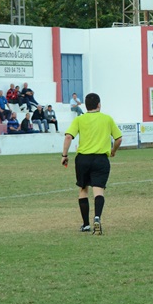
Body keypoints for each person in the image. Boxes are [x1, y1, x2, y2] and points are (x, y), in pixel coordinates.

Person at [61, 93, 123, 235]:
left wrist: (64, 155)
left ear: (85, 105)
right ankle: (97, 218)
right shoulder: (107, 119)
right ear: (99, 105)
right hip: (101, 159)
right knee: (98, 190)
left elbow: (68, 136)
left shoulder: (80, 119)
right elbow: (119, 139)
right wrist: (113, 151)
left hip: (83, 159)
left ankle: (86, 224)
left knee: (83, 189)